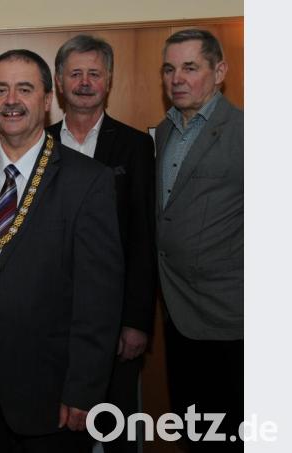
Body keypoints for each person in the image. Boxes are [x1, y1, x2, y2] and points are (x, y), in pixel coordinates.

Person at [0, 49, 124, 453]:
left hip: (50, 392)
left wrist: (84, 389)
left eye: (24, 89)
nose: (11, 100)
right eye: (0, 89)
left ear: (47, 100)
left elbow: (98, 300)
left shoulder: (89, 182)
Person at [46, 34, 156, 452]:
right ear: (59, 82)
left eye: (94, 73)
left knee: (118, 432)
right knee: (60, 432)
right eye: (75, 73)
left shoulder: (135, 146)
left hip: (115, 322)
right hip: (51, 323)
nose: (85, 82)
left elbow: (144, 239)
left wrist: (136, 320)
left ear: (108, 80)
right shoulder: (39, 145)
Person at [156, 29, 243, 452]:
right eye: (170, 69)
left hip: (233, 320)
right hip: (177, 313)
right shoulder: (163, 131)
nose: (177, 79)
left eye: (190, 68)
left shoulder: (249, 133)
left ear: (219, 71)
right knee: (195, 431)